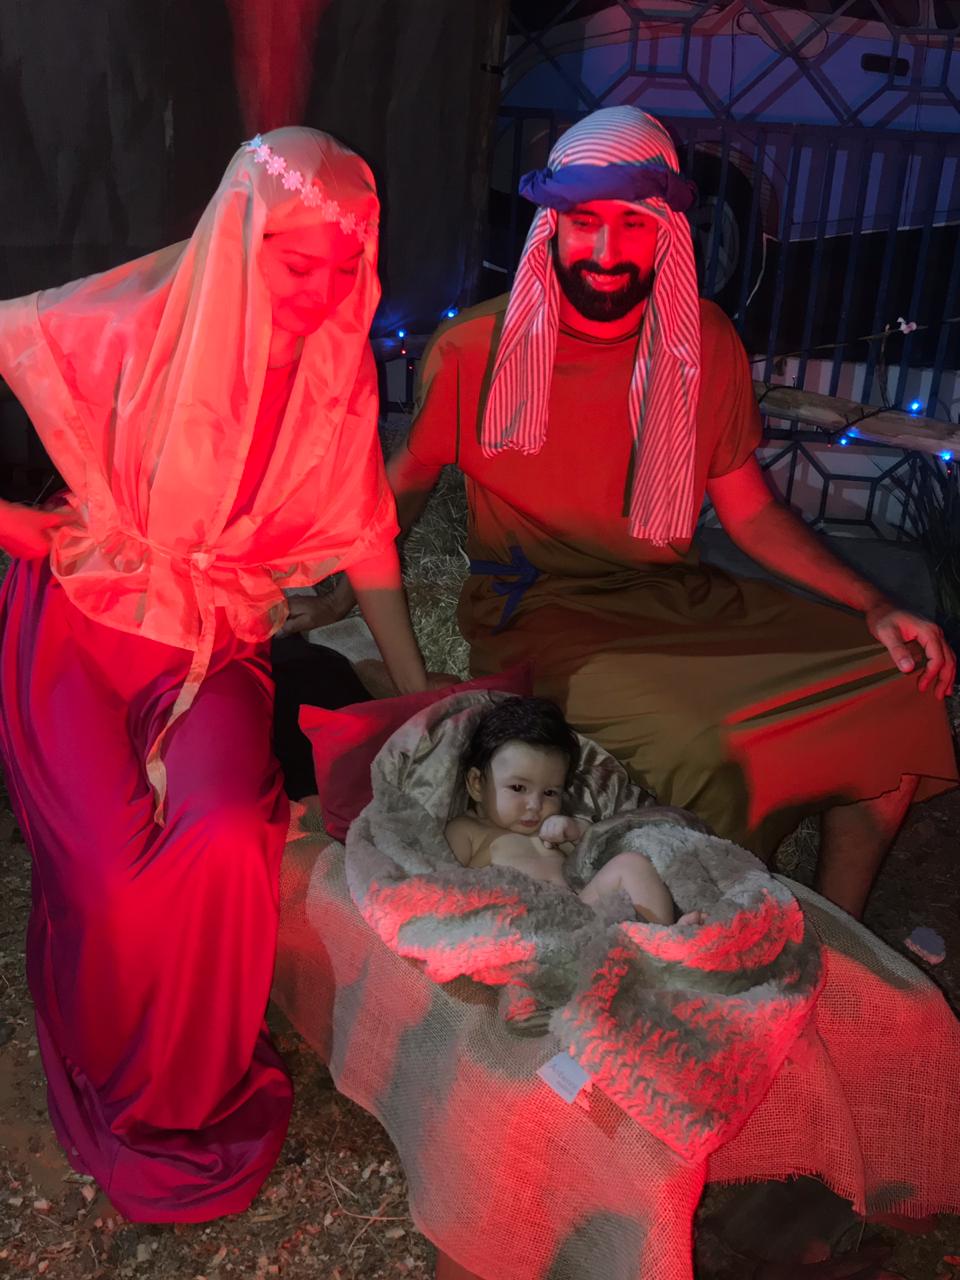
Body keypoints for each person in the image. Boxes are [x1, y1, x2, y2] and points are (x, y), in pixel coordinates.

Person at [302, 106, 957, 919]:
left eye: (632, 225)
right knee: (708, 747)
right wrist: (341, 595)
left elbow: (752, 514)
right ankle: (704, 931)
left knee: (897, 680)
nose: (606, 251)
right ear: (552, 228)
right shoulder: (475, 350)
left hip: (676, 597)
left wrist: (874, 604)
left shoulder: (701, 342)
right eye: (584, 223)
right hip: (542, 611)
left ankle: (840, 925)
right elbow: (393, 497)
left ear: (667, 233)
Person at [0, 128, 432, 1222]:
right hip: (80, 627)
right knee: (106, 871)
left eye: (345, 266)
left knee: (230, 832)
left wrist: (417, 694)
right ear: (239, 234)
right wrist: (16, 527)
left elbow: (367, 535)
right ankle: (112, 1081)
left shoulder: (335, 371)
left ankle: (187, 1106)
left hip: (216, 640)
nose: (322, 292)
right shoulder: (131, 318)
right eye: (297, 260)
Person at [446, 695, 703, 925]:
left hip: (579, 919)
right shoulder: (468, 830)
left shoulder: (553, 832)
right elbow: (443, 881)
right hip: (518, 924)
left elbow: (593, 855)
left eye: (550, 793)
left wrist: (577, 830)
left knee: (631, 865)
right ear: (477, 783)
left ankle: (663, 938)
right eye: (518, 788)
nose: (535, 805)